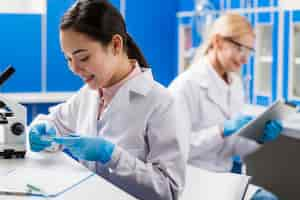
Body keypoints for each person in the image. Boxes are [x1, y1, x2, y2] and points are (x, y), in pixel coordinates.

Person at [28, 0, 188, 199]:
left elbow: (169, 190)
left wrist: (112, 156)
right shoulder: (88, 95)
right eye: (68, 59)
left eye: (83, 57)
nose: (74, 69)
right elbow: (55, 122)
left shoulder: (162, 103)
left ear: (115, 44)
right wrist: (43, 129)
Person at [169, 13, 282, 200]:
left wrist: (258, 137)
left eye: (249, 51)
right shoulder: (185, 86)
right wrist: (220, 130)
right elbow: (176, 151)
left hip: (225, 178)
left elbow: (234, 148)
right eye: (240, 48)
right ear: (218, 42)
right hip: (192, 180)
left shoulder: (235, 84)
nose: (245, 58)